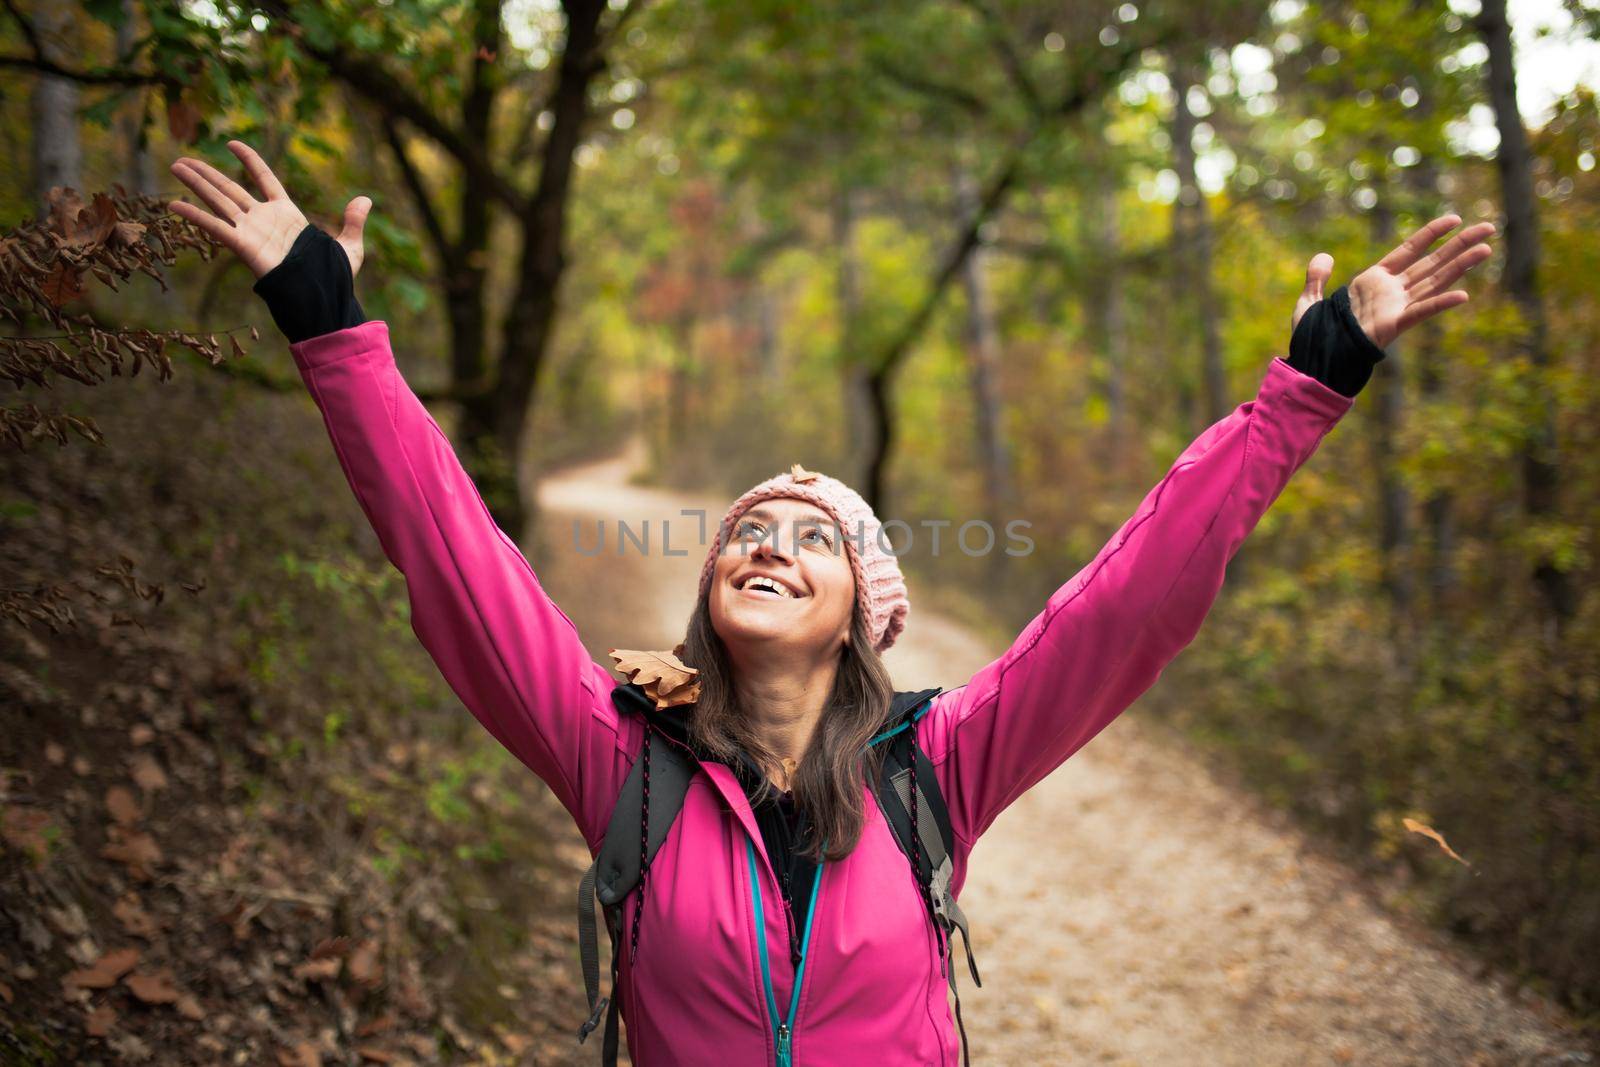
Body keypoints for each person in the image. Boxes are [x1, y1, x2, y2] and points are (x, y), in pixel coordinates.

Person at [168, 139, 1495, 1067]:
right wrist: (329, 330)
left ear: (866, 612)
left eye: (818, 538)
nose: (773, 542)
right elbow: (454, 559)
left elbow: (1123, 610)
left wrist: (1305, 387)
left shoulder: (942, 771)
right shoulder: (617, 758)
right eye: (750, 529)